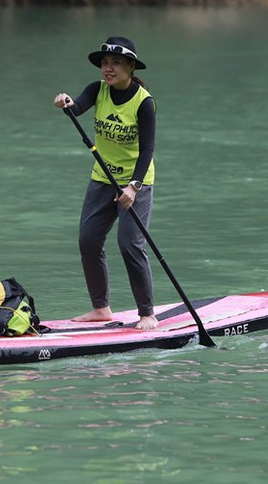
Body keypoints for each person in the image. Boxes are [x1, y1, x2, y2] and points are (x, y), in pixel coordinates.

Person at [53, 36, 158, 330]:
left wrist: (133, 187)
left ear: (131, 67)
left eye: (116, 64)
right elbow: (76, 107)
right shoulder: (97, 90)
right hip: (103, 178)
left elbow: (148, 150)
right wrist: (66, 102)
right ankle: (101, 309)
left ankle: (147, 313)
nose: (108, 69)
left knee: (130, 245)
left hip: (135, 182)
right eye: (105, 64)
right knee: (88, 239)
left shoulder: (144, 103)